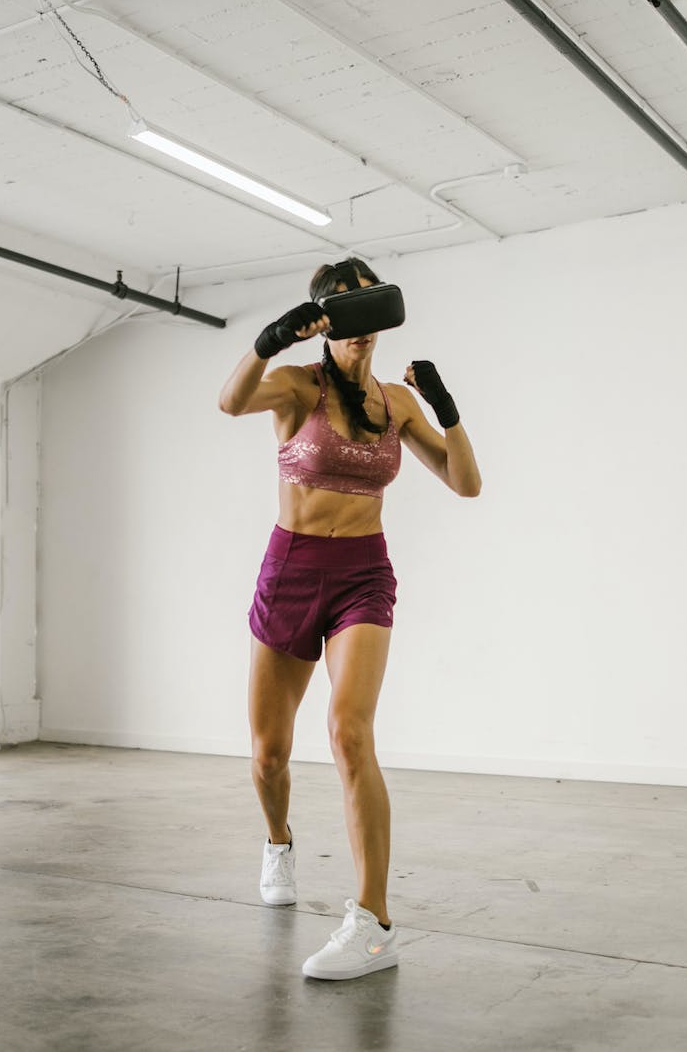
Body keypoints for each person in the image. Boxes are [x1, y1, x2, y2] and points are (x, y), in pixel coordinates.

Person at [216, 257, 481, 980]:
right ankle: (278, 841)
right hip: (291, 567)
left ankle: (373, 923)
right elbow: (229, 401)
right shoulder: (298, 385)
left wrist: (447, 408)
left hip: (364, 573)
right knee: (269, 755)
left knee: (349, 730)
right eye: (344, 314)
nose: (360, 330)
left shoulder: (395, 402)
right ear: (327, 324)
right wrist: (269, 340)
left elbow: (466, 482)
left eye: (369, 311)